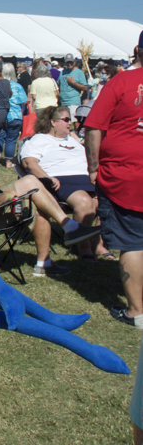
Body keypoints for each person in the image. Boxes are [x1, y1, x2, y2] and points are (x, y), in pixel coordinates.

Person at [84, 32, 143, 328]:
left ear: (136, 50)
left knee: (133, 242)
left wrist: (93, 168)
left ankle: (136, 311)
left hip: (125, 174)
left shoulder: (120, 82)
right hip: (129, 172)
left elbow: (93, 127)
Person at [20, 106, 109, 260]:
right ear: (53, 122)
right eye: (66, 120)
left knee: (104, 202)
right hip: (60, 179)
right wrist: (47, 178)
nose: (70, 123)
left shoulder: (73, 140)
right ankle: (83, 245)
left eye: (71, 120)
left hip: (85, 178)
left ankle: (96, 242)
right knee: (85, 202)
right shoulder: (39, 139)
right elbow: (30, 163)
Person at [0, 174, 98, 276]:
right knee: (30, 182)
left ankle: (45, 263)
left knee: (37, 200)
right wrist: (7, 195)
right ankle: (70, 227)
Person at [0, 63, 28, 168]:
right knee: (11, 139)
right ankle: (8, 161)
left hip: (0, 115)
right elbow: (24, 101)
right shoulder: (17, 86)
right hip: (15, 115)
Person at [58, 53, 89, 130]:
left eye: (71, 62)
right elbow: (58, 85)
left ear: (74, 62)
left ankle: (77, 136)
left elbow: (85, 88)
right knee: (64, 122)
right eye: (68, 62)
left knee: (75, 122)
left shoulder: (79, 72)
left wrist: (73, 83)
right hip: (63, 102)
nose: (69, 64)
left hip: (73, 102)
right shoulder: (62, 72)